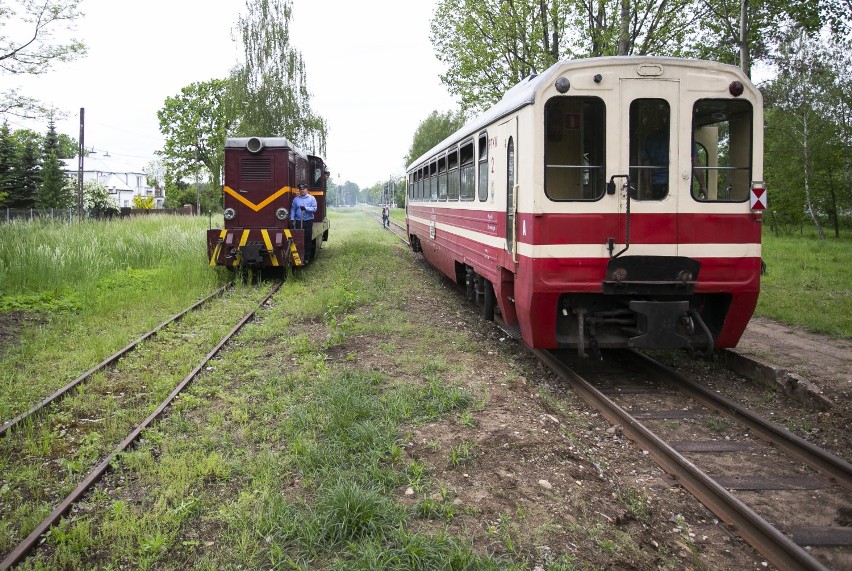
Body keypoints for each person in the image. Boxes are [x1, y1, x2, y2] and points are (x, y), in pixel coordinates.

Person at [291, 183, 317, 264]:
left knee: (307, 240)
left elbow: (314, 209)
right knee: (298, 240)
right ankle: (298, 257)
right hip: (299, 222)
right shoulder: (296, 199)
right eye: (300, 189)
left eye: (303, 189)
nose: (302, 190)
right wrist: (291, 219)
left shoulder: (312, 198)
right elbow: (293, 209)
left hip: (308, 222)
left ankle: (306, 258)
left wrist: (306, 208)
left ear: (306, 189)